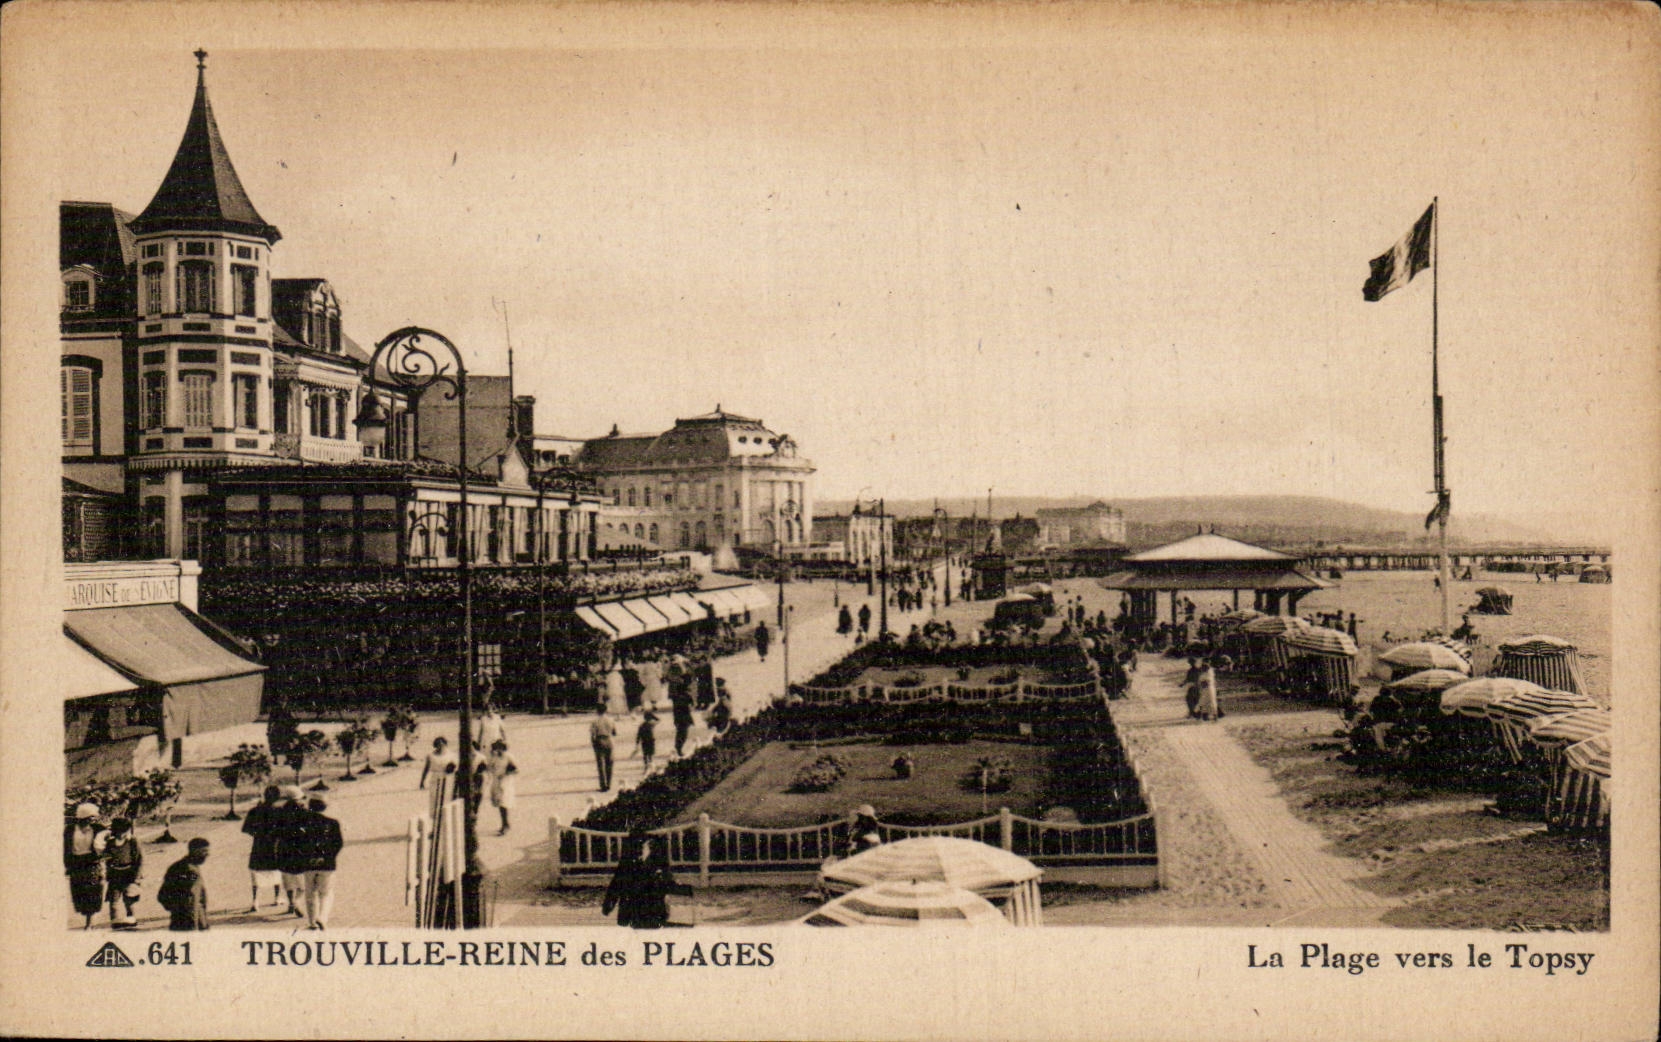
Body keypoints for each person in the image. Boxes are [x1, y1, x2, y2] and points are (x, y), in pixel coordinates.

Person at [602, 831, 694, 929]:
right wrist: (608, 907)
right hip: (632, 913)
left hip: (653, 912)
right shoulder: (627, 864)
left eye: (643, 846)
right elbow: (616, 885)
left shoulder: (658, 862)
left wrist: (687, 890)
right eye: (636, 846)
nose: (639, 849)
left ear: (649, 846)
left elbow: (668, 884)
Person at [297, 796, 344, 930]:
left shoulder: (304, 823)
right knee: (326, 893)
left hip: (308, 863)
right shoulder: (333, 823)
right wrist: (325, 857)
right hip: (327, 864)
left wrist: (308, 856)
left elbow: (299, 843)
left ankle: (312, 922)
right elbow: (337, 844)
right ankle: (322, 917)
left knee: (310, 893)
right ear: (325, 807)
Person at [241, 785, 286, 913]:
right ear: (277, 798)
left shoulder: (254, 811)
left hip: (259, 844)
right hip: (275, 845)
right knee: (277, 870)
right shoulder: (280, 811)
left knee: (256, 871)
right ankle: (277, 897)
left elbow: (245, 829)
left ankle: (255, 901)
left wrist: (256, 833)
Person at [63, 802, 107, 929]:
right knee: (79, 893)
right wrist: (67, 865)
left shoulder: (98, 828)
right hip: (76, 863)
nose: (94, 819)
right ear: (84, 817)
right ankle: (88, 918)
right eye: (92, 817)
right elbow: (65, 848)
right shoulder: (70, 830)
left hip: (92, 863)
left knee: (93, 892)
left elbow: (109, 837)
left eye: (94, 817)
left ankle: (89, 923)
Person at [157, 837, 211, 932]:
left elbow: (162, 895)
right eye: (204, 851)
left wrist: (175, 911)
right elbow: (192, 900)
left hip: (180, 921)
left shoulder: (178, 866)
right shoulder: (190, 871)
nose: (208, 855)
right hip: (190, 924)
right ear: (195, 851)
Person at [273, 785, 310, 918]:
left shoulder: (280, 811)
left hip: (284, 847)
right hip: (299, 848)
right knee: (302, 882)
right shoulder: (303, 810)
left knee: (288, 879)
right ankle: (297, 901)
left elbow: (275, 831)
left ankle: (291, 903)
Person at [102, 817, 143, 930]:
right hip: (115, 874)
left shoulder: (132, 841)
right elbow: (106, 857)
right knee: (113, 899)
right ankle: (115, 922)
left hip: (129, 874)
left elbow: (139, 860)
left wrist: (136, 877)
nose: (122, 835)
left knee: (129, 900)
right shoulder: (110, 843)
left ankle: (132, 920)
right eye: (119, 832)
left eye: (124, 832)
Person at [486, 739, 518, 835]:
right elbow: (489, 767)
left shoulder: (508, 757)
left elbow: (516, 769)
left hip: (506, 781)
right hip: (496, 780)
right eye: (497, 747)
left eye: (500, 747)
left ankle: (505, 825)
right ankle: (505, 823)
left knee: (503, 802)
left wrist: (506, 773)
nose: (498, 749)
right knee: (499, 803)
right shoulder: (494, 757)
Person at [589, 705, 616, 792]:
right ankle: (609, 784)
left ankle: (603, 785)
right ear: (606, 710)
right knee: (610, 763)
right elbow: (614, 732)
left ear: (597, 711)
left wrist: (594, 744)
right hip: (609, 740)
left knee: (601, 764)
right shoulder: (611, 719)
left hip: (599, 740)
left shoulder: (595, 721)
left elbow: (593, 735)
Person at [634, 709, 659, 773]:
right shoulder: (652, 724)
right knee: (650, 755)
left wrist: (637, 744)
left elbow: (638, 735)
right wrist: (653, 716)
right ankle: (651, 767)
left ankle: (646, 767)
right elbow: (658, 720)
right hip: (651, 741)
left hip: (644, 741)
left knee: (645, 755)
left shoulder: (642, 725)